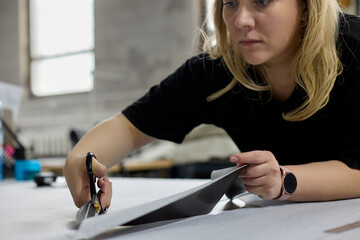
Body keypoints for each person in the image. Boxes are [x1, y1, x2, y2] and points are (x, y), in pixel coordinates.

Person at [64, 0, 360, 210]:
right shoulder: (218, 71)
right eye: (230, 2)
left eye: (262, 0)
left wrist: (283, 181)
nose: (241, 19)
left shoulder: (354, 49)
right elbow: (130, 127)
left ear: (306, 7)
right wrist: (80, 160)